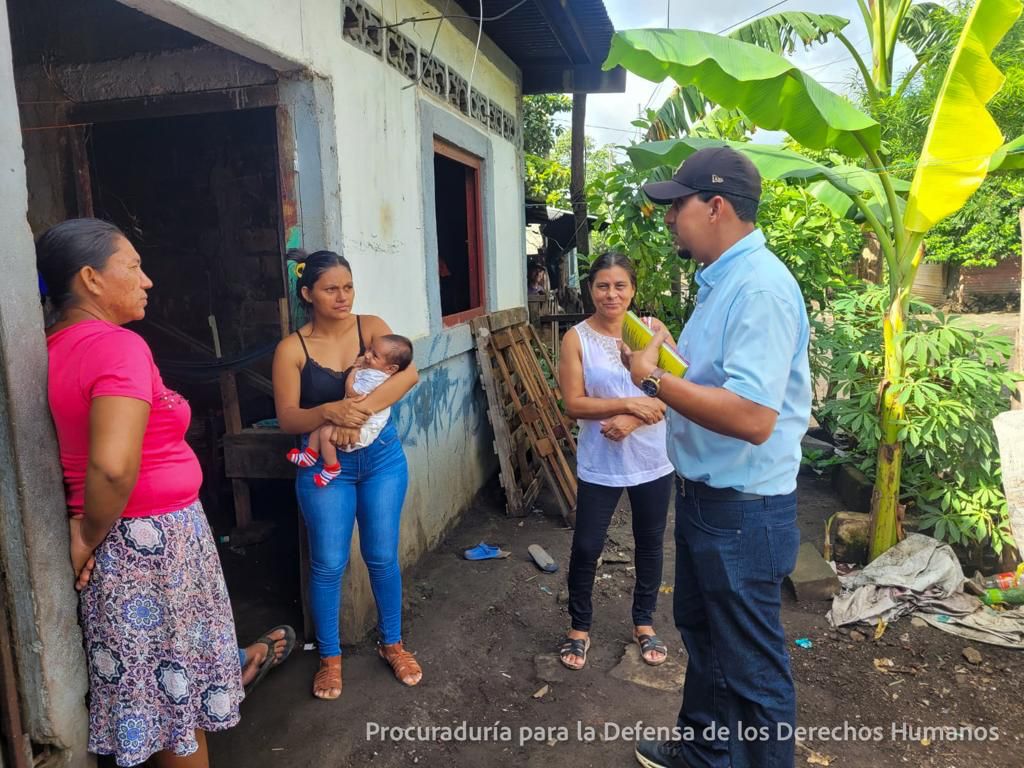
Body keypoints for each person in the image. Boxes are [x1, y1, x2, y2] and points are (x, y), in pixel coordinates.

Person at [37, 218, 293, 767]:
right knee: (173, 707)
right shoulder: (116, 346)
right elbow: (110, 467)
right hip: (148, 548)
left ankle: (244, 662)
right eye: (132, 266)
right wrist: (86, 533)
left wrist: (89, 532)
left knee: (157, 695)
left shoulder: (54, 345)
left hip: (130, 542)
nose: (147, 279)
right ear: (91, 278)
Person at [622, 147, 810, 768]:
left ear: (717, 205)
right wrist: (672, 359)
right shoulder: (724, 281)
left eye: (678, 205)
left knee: (751, 671)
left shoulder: (760, 289)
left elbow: (754, 418)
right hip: (709, 501)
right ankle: (704, 754)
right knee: (704, 638)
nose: (670, 217)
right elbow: (723, 382)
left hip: (743, 510)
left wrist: (655, 383)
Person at [272, 250, 422, 701]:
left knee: (381, 556)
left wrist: (353, 413)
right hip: (325, 466)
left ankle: (392, 643)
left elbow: (407, 375)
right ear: (307, 294)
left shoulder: (371, 327)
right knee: (329, 563)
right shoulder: (291, 349)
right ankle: (330, 658)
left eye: (348, 287)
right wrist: (326, 411)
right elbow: (288, 420)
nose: (342, 297)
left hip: (381, 461)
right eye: (330, 289)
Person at [556, 252, 675, 671]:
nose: (611, 294)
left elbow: (677, 393)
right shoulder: (577, 338)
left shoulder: (654, 333)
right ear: (591, 290)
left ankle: (644, 622)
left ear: (633, 290)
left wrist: (630, 418)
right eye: (603, 285)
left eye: (620, 285)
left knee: (650, 541)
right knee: (587, 544)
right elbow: (573, 403)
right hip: (601, 460)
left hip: (653, 458)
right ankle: (579, 628)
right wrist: (626, 404)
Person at [285, 334, 414, 487]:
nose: (366, 355)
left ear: (391, 368)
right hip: (357, 423)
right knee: (319, 426)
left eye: (374, 355)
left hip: (364, 430)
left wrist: (352, 372)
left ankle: (332, 467)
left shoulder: (375, 377)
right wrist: (366, 363)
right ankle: (310, 454)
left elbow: (353, 392)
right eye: (369, 349)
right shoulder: (379, 369)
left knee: (326, 434)